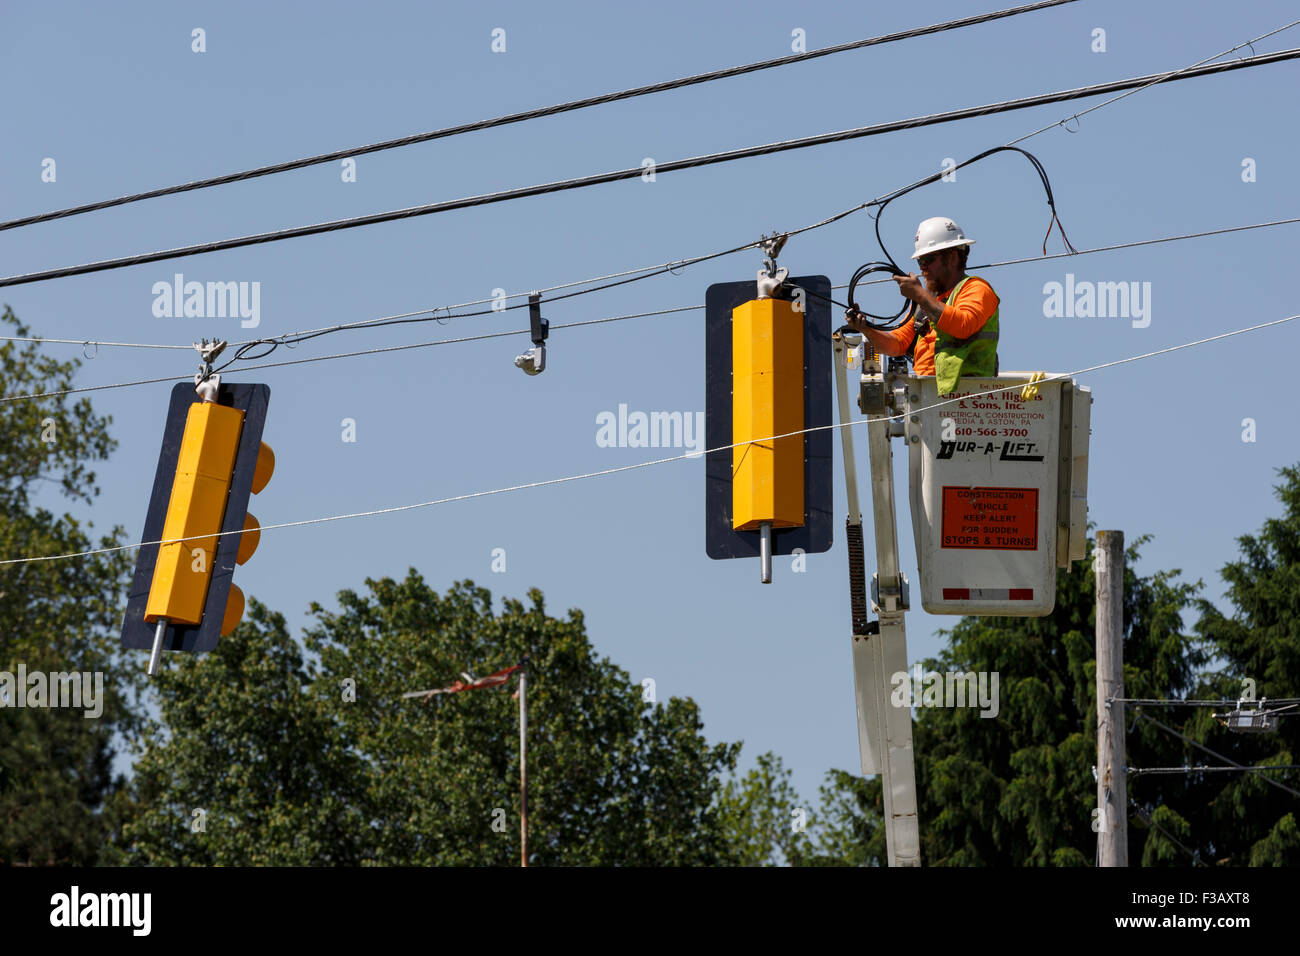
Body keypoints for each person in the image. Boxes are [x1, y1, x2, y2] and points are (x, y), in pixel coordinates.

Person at [848, 217, 999, 395]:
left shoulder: (976, 289)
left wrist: (919, 294)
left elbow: (963, 325)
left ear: (952, 258)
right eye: (920, 261)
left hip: (967, 396)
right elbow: (896, 344)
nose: (923, 268)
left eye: (928, 259)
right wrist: (866, 329)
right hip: (929, 395)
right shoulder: (928, 301)